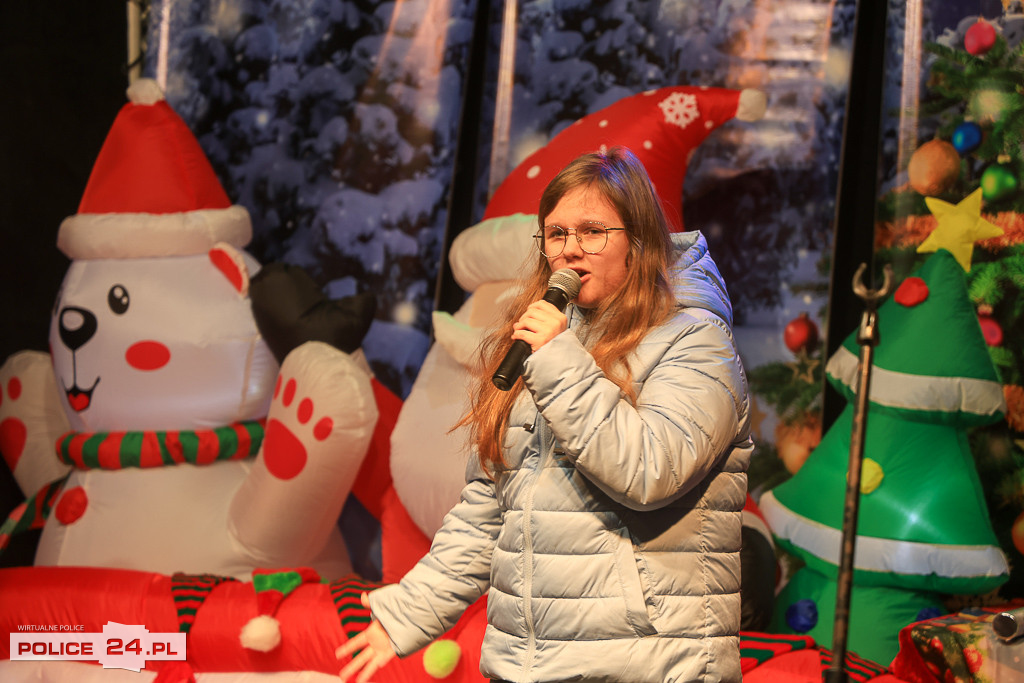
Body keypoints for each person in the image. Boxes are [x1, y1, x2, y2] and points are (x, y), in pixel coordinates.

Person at [337, 147, 753, 683]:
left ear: (641, 240)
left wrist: (559, 360)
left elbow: (651, 470)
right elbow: (489, 510)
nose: (571, 251)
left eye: (593, 232)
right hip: (527, 662)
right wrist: (406, 616)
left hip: (647, 662)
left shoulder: (696, 342)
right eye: (556, 235)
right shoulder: (550, 341)